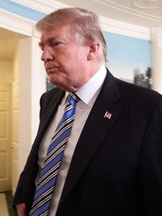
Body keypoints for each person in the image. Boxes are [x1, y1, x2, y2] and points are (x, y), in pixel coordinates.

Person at [13, 7, 162, 216]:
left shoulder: (147, 106)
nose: (44, 56)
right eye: (42, 46)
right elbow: (40, 158)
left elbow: (155, 194)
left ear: (92, 49)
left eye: (55, 44)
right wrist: (22, 194)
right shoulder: (48, 100)